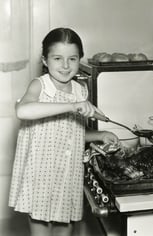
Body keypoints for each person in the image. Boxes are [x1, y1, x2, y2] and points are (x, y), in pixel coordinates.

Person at [8, 27, 119, 236]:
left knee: (65, 232)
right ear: (44, 60)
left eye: (72, 58)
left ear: (80, 60)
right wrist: (72, 106)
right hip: (40, 175)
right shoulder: (40, 86)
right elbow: (23, 110)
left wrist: (100, 136)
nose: (66, 66)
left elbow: (72, 133)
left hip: (68, 176)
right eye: (57, 58)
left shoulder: (80, 90)